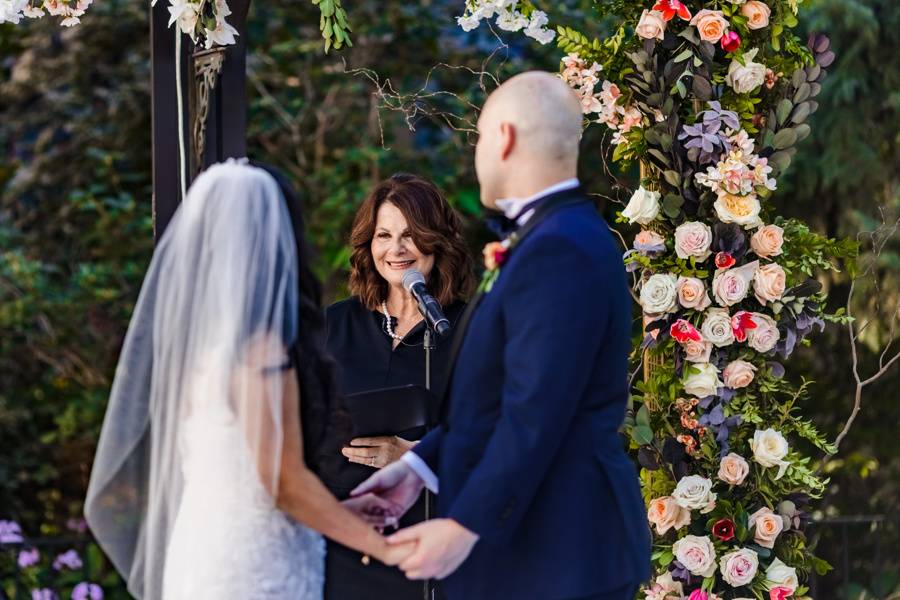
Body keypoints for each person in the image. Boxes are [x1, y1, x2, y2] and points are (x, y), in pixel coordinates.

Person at [351, 72, 652, 599]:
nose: (477, 154)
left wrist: (464, 525)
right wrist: (420, 467)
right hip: (537, 555)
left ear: (505, 137)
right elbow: (494, 400)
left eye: (480, 138)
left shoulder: (560, 248)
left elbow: (535, 410)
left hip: (555, 555)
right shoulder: (553, 235)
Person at [84, 161, 411, 600]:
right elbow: (282, 481)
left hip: (203, 551)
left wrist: (343, 511)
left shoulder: (200, 348)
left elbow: (238, 473)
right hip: (254, 568)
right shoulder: (260, 351)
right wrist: (387, 549)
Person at [320, 173, 475, 599]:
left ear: (436, 241)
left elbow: (493, 434)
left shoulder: (469, 328)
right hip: (345, 543)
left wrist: (410, 457)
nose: (396, 249)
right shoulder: (337, 323)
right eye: (383, 235)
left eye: (411, 235)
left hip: (430, 548)